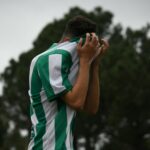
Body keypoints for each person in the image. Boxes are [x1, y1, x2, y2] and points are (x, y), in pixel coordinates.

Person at [28, 16, 109, 150]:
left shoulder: (73, 64)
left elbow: (91, 108)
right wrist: (84, 60)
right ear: (66, 42)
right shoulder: (49, 59)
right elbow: (76, 102)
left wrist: (94, 63)